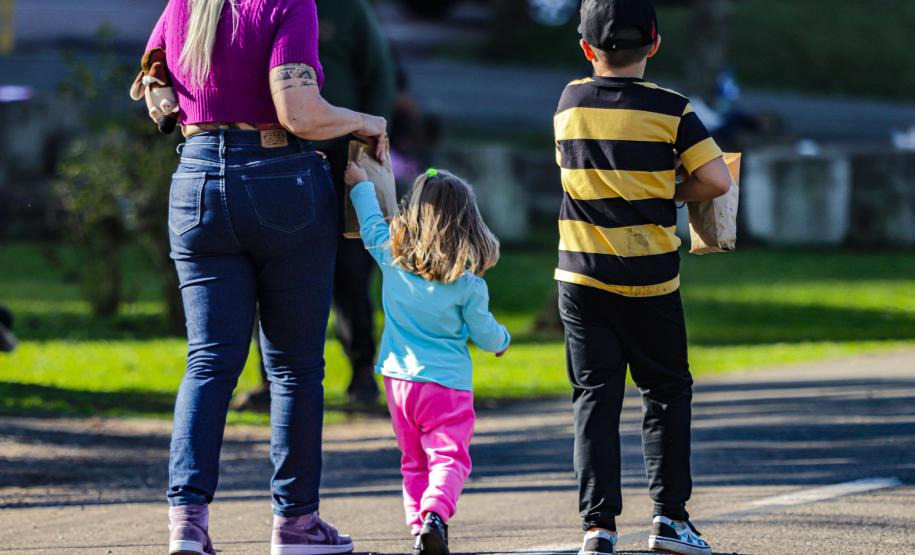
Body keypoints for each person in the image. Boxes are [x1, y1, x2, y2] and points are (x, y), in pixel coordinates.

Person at [142, 1, 387, 554]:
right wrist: (364, 121)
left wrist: (181, 116)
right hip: (280, 181)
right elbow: (298, 112)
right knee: (295, 367)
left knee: (207, 362)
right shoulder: (287, 4)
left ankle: (188, 525)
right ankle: (297, 525)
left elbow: (152, 83)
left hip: (195, 178)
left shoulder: (184, 5)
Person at [553, 1, 732, 554]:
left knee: (594, 398)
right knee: (666, 393)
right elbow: (717, 181)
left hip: (580, 276)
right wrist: (669, 191)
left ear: (587, 48)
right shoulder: (672, 109)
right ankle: (670, 519)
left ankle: (597, 528)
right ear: (655, 45)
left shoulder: (569, 102)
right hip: (651, 280)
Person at [343, 165, 510, 555]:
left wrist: (361, 185)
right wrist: (502, 341)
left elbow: (369, 222)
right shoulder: (469, 286)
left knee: (414, 461)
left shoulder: (390, 258)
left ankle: (420, 529)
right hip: (446, 387)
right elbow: (485, 333)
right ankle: (435, 515)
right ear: (468, 223)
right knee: (450, 457)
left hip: (398, 383)